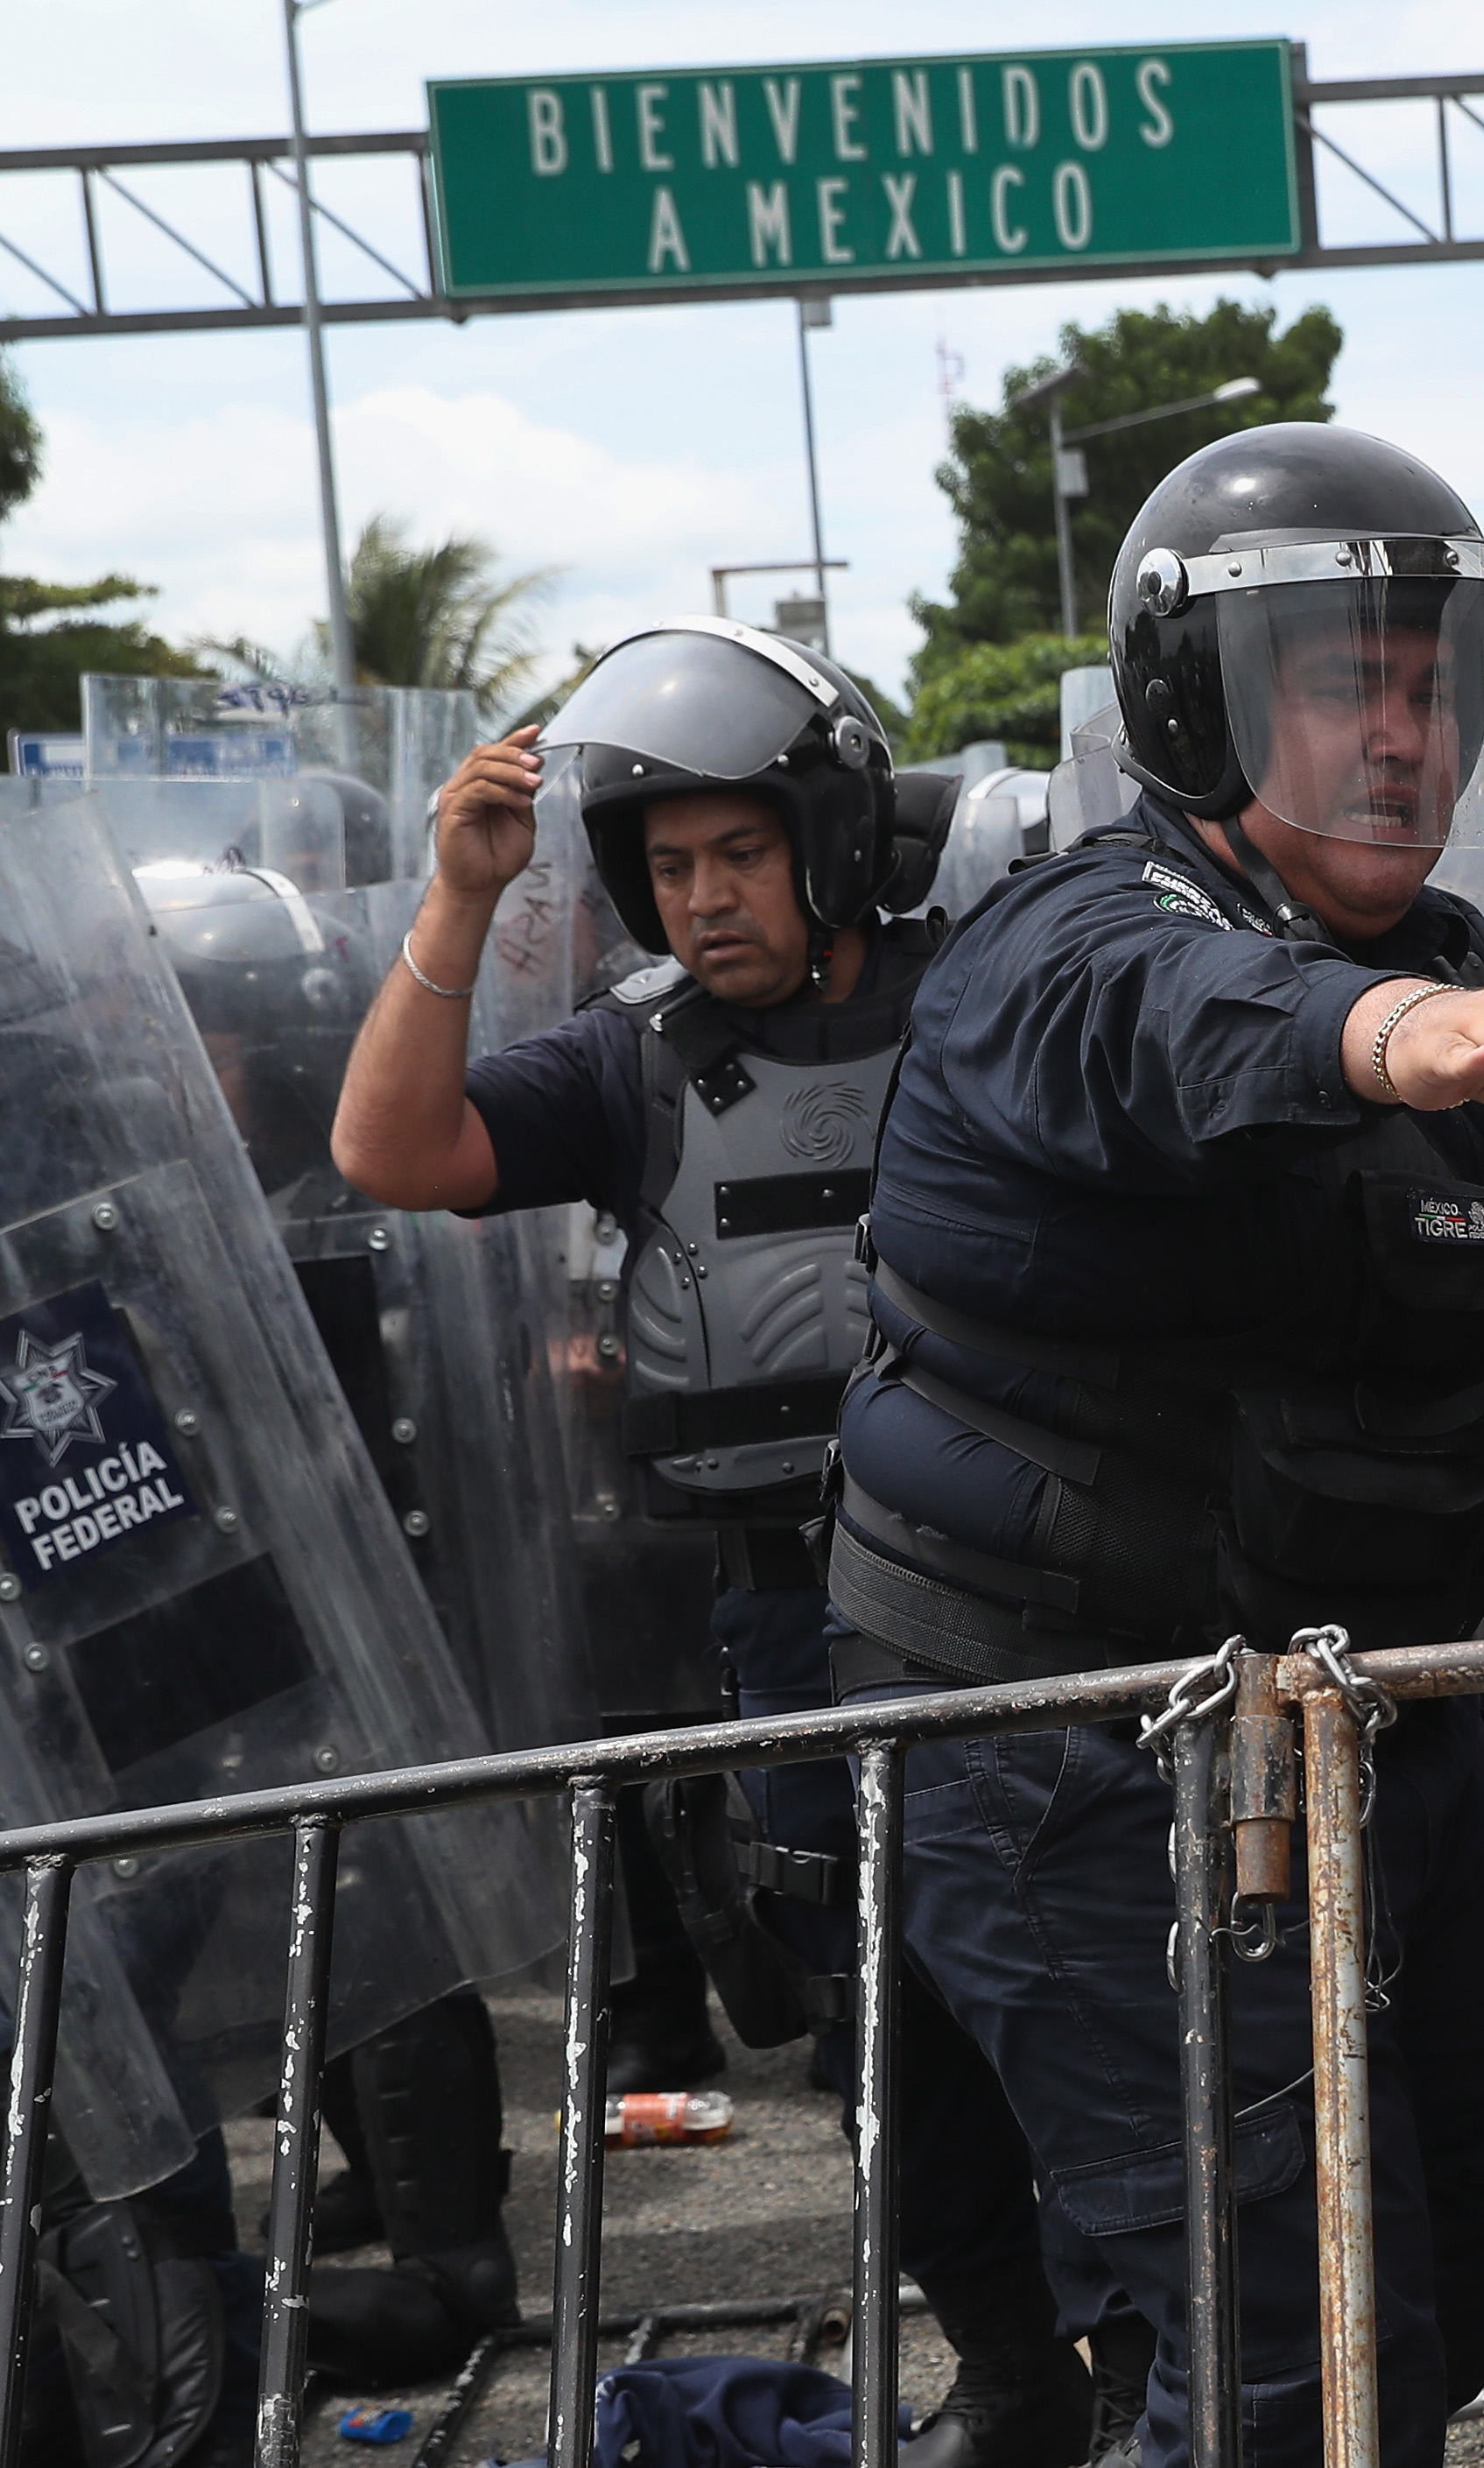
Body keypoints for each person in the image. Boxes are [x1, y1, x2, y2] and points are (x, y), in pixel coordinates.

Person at [818, 425, 1484, 2468]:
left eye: (1428, 682)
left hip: (1337, 1714)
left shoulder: (1458, 974)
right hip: (1064, 1742)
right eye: (1340, 680)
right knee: (1277, 2326)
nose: (1399, 732)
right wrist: (1383, 1038)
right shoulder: (1070, 938)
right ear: (1192, 700)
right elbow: (1192, 1020)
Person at [325, 624, 1100, 2468]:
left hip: (1037, 1585)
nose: (704, 898)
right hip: (795, 1608)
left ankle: (1154, 2337)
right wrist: (456, 898)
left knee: (1084, 1976)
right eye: (667, 866)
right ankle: (1012, 2374)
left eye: (734, 852)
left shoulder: (990, 988)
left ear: (825, 834)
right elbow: (392, 1148)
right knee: (881, 2022)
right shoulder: (632, 1061)